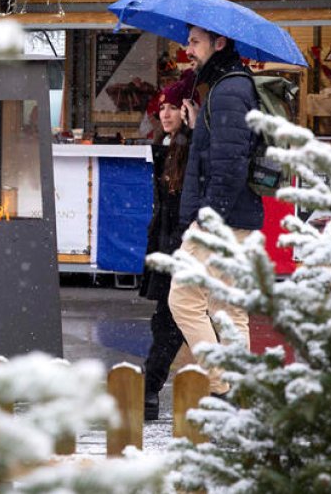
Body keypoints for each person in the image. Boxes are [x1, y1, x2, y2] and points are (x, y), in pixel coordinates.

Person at [169, 25, 264, 398]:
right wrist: (198, 127)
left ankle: (221, 387)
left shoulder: (229, 91)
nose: (188, 49)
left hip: (221, 220)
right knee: (228, 309)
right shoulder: (230, 87)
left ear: (219, 43)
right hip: (239, 217)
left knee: (183, 299)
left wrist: (208, 220)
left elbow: (229, 166)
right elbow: (225, 153)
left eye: (195, 42)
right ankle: (239, 393)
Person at [139, 70, 198, 420]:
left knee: (172, 320)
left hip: (179, 244)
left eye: (173, 107)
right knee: (170, 320)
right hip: (168, 241)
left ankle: (150, 387)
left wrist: (175, 241)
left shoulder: (188, 149)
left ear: (187, 111)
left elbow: (181, 205)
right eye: (163, 107)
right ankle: (150, 387)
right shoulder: (169, 146)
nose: (165, 113)